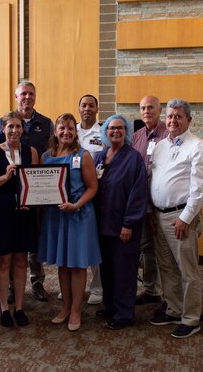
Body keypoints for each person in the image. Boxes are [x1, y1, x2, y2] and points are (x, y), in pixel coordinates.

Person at [148, 99, 203, 339]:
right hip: (159, 215)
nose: (173, 120)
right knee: (166, 267)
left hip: (181, 216)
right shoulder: (160, 145)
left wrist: (185, 218)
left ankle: (191, 317)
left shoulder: (198, 146)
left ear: (189, 120)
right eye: (170, 116)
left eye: (178, 116)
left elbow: (200, 187)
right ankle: (174, 309)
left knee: (188, 270)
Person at [38, 113, 102, 332]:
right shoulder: (46, 156)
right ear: (55, 131)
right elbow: (40, 186)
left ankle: (76, 309)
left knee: (77, 264)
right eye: (61, 128)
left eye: (70, 129)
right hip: (56, 215)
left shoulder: (82, 155)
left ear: (75, 133)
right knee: (63, 264)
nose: (66, 132)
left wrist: (76, 205)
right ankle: (64, 307)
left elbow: (93, 187)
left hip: (78, 214)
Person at [0, 81, 53, 302]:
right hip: (6, 197)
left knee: (33, 239)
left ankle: (37, 281)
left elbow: (50, 155)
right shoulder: (1, 123)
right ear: (16, 96)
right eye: (23, 94)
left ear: (35, 97)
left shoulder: (46, 123)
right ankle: (10, 286)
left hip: (34, 194)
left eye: (31, 94)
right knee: (9, 251)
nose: (27, 97)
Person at [0, 111, 39, 327]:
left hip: (24, 211)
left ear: (22, 129)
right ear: (3, 130)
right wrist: (5, 177)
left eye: (17, 126)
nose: (14, 130)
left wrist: (32, 199)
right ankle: (4, 308)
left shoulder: (31, 151)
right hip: (2, 210)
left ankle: (19, 306)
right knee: (3, 260)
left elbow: (35, 181)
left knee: (20, 260)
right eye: (10, 127)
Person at [94, 115, 147, 330]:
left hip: (123, 226)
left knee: (124, 271)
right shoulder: (98, 157)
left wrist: (129, 224)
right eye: (111, 128)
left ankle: (124, 313)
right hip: (101, 225)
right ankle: (110, 306)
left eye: (120, 128)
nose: (115, 132)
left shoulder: (134, 158)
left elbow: (138, 193)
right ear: (105, 132)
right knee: (106, 269)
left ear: (126, 132)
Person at [131, 95, 169, 306]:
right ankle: (151, 290)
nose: (147, 111)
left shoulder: (168, 135)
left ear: (159, 109)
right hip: (142, 202)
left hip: (163, 201)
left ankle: (170, 296)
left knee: (166, 250)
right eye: (143, 108)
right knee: (148, 248)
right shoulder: (136, 136)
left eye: (151, 107)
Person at [76, 94, 105, 306]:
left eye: (91, 105)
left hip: (96, 194)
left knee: (94, 242)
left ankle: (97, 288)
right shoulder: (70, 131)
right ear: (79, 108)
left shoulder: (103, 132)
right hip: (72, 194)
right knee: (74, 241)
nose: (87, 108)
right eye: (84, 105)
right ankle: (71, 284)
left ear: (96, 109)